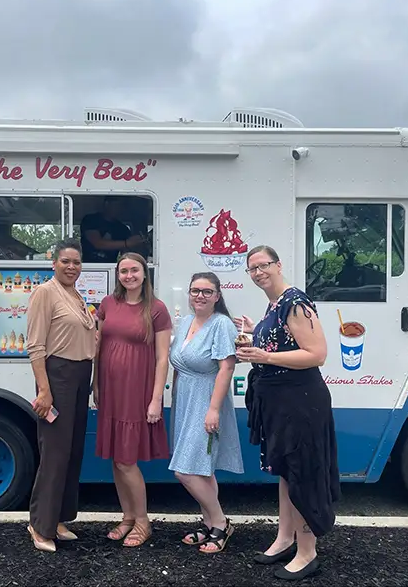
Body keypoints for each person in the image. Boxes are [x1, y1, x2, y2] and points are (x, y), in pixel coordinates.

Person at [235, 245, 340, 581]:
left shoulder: (295, 302)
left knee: (303, 474)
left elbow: (317, 354)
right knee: (286, 471)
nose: (258, 273)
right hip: (283, 402)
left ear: (278, 265)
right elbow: (285, 344)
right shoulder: (275, 305)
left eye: (263, 265)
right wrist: (256, 333)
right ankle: (285, 538)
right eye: (252, 269)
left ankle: (307, 553)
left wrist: (263, 358)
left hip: (302, 401)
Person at [93, 253, 172, 547]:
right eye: (124, 271)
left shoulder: (157, 309)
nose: (129, 276)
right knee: (116, 458)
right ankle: (127, 516)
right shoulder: (107, 304)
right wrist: (96, 384)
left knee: (127, 459)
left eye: (134, 270)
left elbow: (163, 358)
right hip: (111, 390)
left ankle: (142, 520)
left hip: (136, 391)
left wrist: (156, 399)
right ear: (118, 274)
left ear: (144, 273)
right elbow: (100, 345)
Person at [25, 238, 97, 553]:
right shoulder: (45, 293)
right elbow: (36, 346)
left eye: (76, 262)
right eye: (65, 261)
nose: (71, 267)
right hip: (58, 377)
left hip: (80, 377)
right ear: (53, 263)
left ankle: (59, 520)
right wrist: (44, 389)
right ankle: (39, 526)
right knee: (54, 453)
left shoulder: (75, 296)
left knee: (72, 451)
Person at [168, 272, 244, 554]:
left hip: (206, 400)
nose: (200, 296)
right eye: (195, 291)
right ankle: (208, 522)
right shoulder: (187, 321)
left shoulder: (221, 325)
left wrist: (213, 409)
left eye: (207, 292)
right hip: (185, 400)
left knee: (184, 471)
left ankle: (221, 522)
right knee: (202, 468)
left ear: (217, 296)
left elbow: (227, 367)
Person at [80, 196, 145, 263]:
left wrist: (138, 244)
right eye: (117, 204)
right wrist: (126, 243)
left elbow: (126, 253)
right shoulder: (90, 220)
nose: (120, 208)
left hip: (111, 267)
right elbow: (97, 243)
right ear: (107, 204)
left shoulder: (123, 229)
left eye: (122, 205)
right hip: (88, 267)